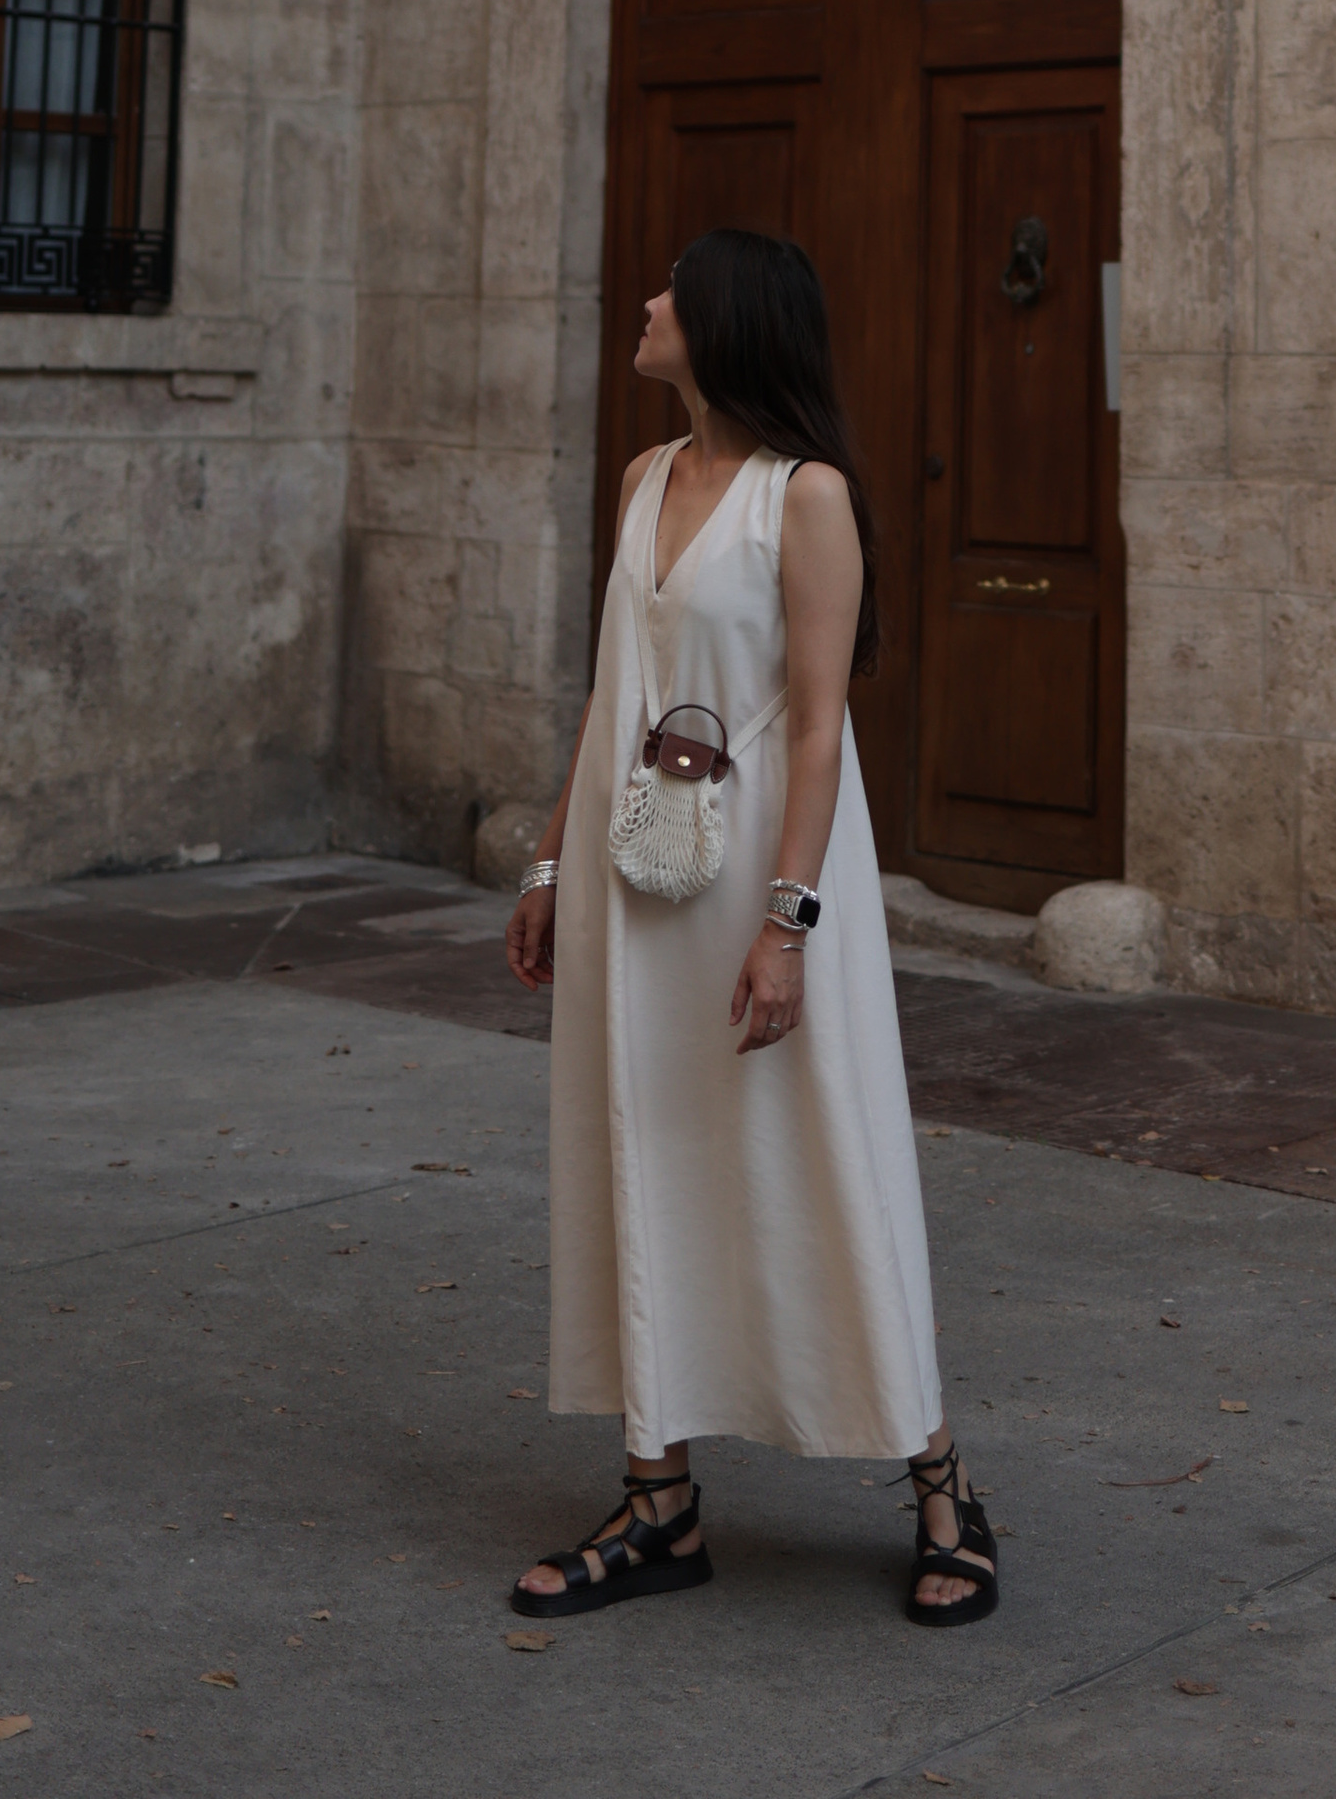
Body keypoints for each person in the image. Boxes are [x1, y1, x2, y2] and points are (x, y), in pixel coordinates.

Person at [501, 227, 997, 1626]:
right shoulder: (643, 476)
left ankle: (943, 1483)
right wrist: (548, 862)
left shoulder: (807, 497)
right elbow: (614, 690)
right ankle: (657, 1501)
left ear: (726, 323)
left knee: (822, 1151)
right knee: (638, 1151)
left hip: (766, 875)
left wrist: (788, 926)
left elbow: (824, 725)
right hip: (634, 872)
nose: (649, 302)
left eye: (673, 289)